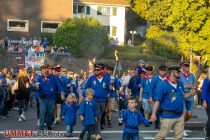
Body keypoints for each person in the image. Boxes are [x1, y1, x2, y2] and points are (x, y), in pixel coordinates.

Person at [150, 65, 196, 140]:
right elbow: (158, 100)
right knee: (162, 136)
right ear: (172, 72)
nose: (180, 73)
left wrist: (191, 94)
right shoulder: (163, 85)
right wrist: (153, 114)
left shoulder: (180, 84)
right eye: (178, 72)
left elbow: (183, 96)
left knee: (179, 137)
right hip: (167, 116)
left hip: (180, 116)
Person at [82, 63, 110, 139]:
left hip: (103, 101)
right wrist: (84, 98)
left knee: (99, 117)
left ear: (101, 70)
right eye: (95, 69)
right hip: (94, 100)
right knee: (97, 117)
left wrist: (111, 86)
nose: (96, 71)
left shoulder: (106, 77)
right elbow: (86, 89)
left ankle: (93, 132)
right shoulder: (91, 78)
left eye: (98, 70)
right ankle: (98, 134)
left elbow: (108, 88)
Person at [36, 65, 64, 130]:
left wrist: (61, 93)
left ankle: (49, 124)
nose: (44, 70)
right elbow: (36, 88)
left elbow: (59, 85)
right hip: (42, 98)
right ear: (41, 71)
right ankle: (41, 126)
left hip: (51, 98)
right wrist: (36, 88)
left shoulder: (53, 77)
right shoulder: (39, 78)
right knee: (43, 111)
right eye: (43, 69)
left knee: (50, 112)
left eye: (45, 69)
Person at [179, 61, 196, 137]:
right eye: (185, 65)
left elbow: (195, 84)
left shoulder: (192, 75)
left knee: (189, 114)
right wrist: (187, 86)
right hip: (182, 96)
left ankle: (179, 123)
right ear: (182, 66)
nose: (187, 67)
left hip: (191, 96)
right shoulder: (179, 75)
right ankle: (182, 129)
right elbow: (179, 86)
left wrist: (194, 90)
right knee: (184, 112)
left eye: (188, 65)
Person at [151, 65, 167, 129]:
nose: (163, 72)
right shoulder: (155, 78)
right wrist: (150, 97)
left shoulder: (168, 79)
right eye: (161, 70)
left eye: (164, 70)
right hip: (157, 98)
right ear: (159, 71)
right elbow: (151, 88)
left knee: (165, 111)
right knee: (157, 111)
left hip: (166, 98)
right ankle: (157, 125)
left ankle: (164, 124)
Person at [201, 67, 210, 140]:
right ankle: (208, 134)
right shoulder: (207, 80)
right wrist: (204, 101)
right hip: (208, 101)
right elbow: (204, 91)